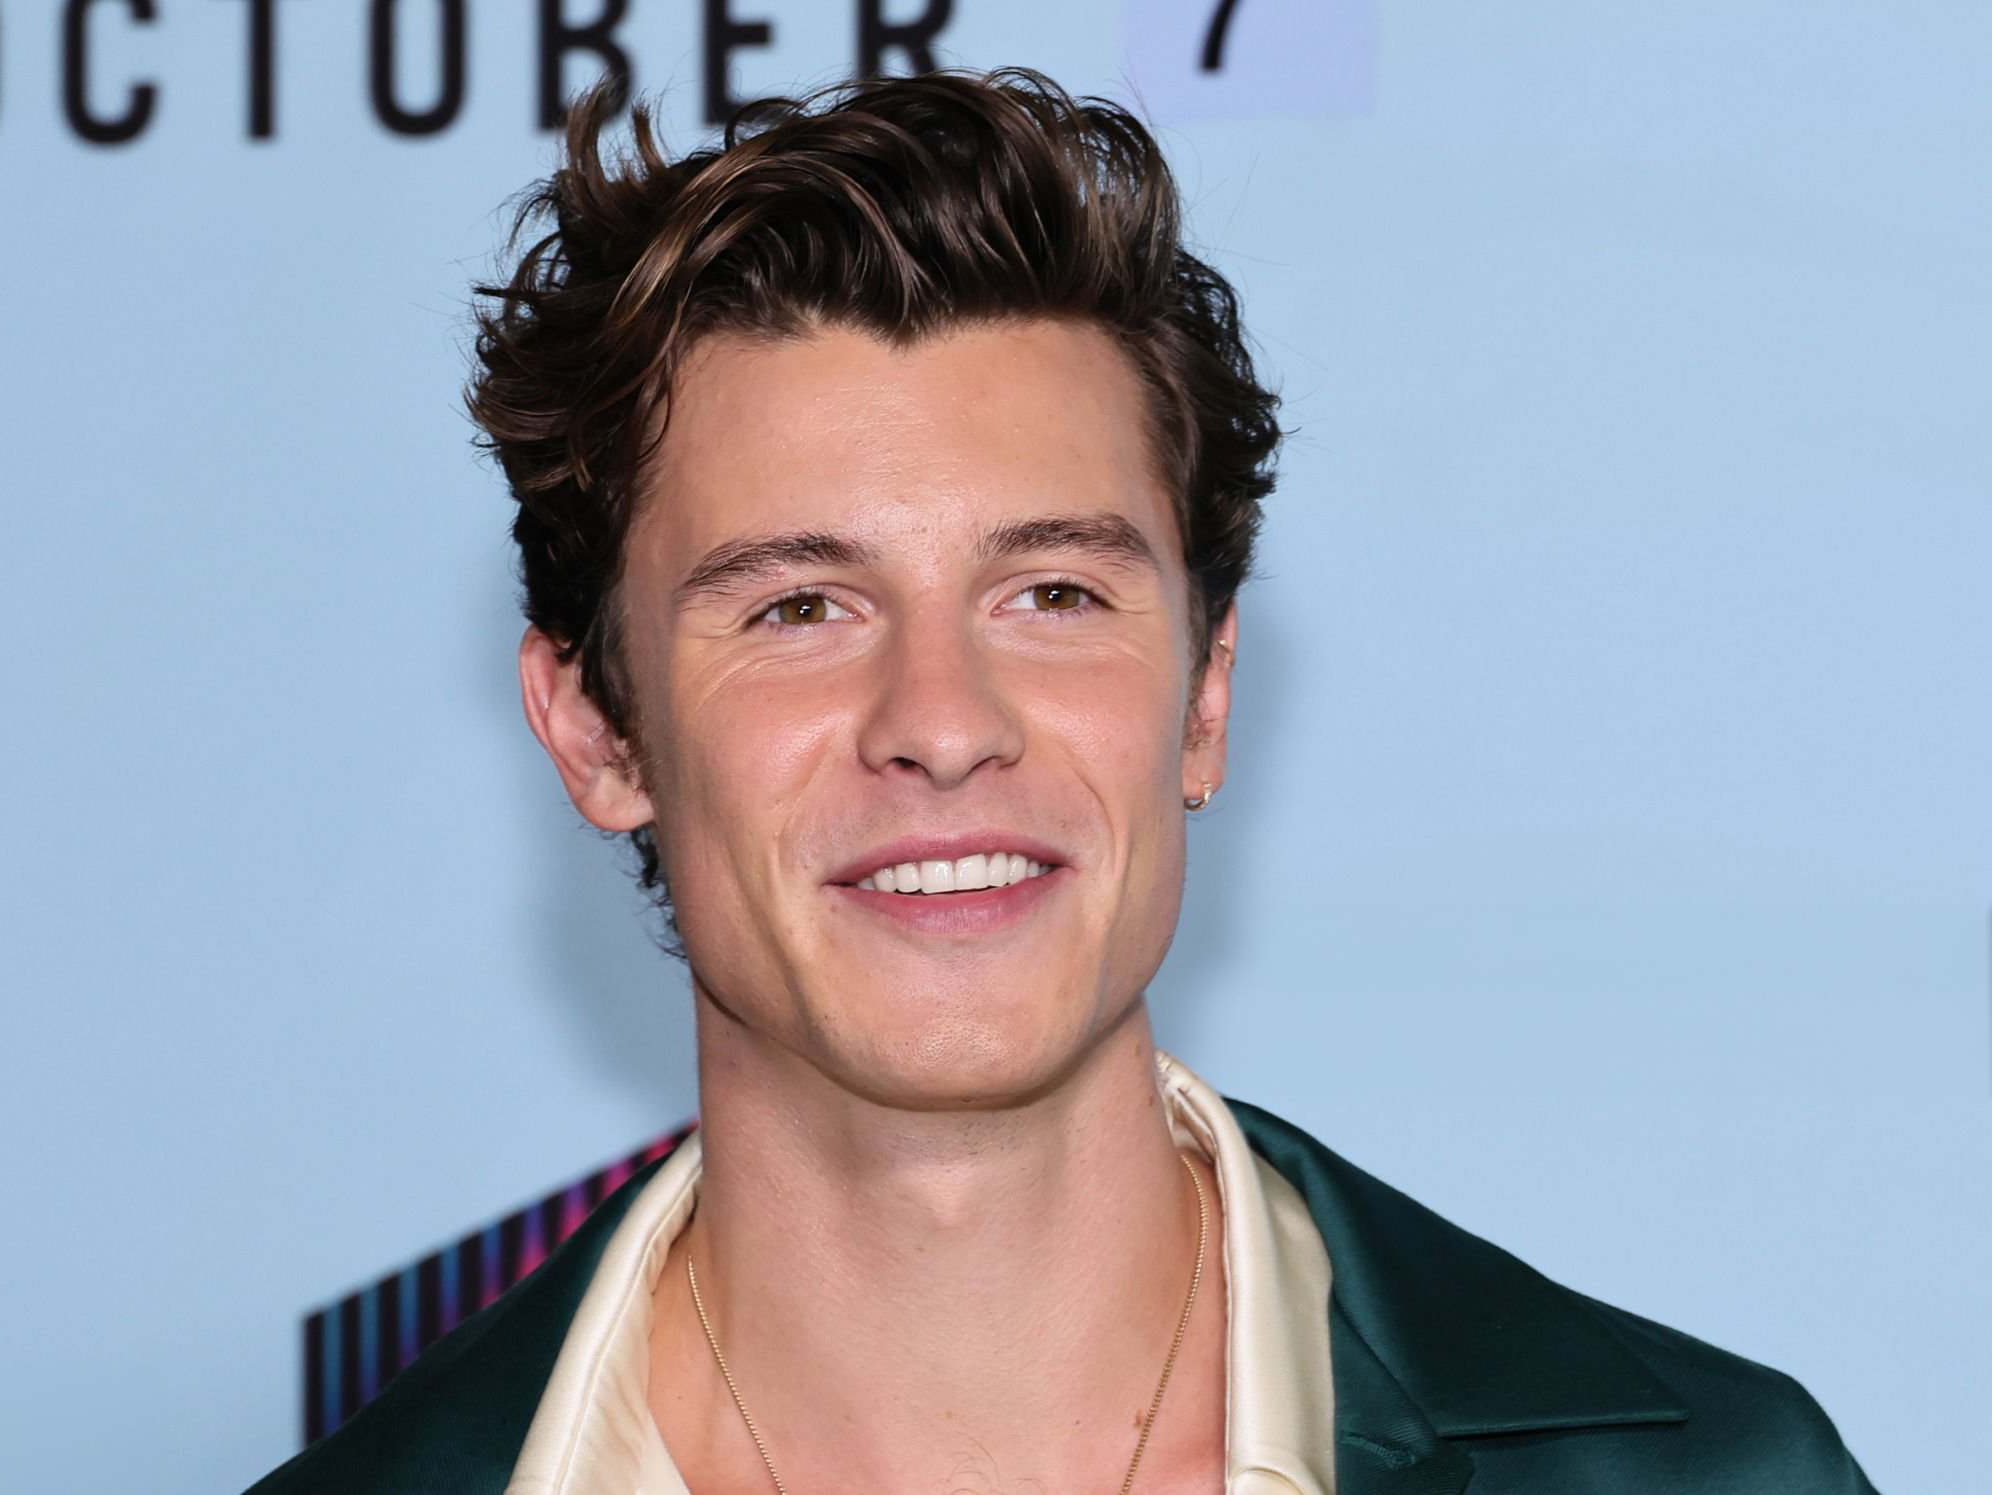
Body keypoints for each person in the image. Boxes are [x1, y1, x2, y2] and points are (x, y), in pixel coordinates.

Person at [248, 68, 1876, 1494]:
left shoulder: (1709, 1477)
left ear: (1205, 696)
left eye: (1054, 594)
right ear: (599, 732)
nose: (943, 722)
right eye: (802, 607)